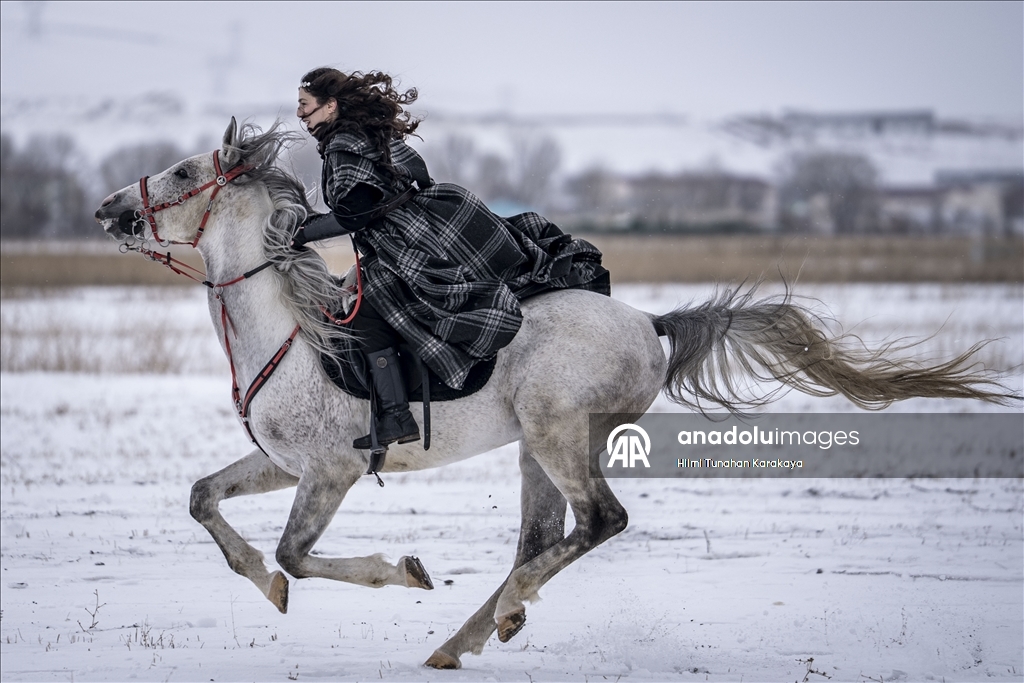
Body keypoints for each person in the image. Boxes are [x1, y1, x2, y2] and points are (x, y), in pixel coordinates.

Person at [292, 67, 610, 450]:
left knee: (367, 311)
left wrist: (303, 233)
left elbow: (355, 213)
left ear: (330, 106)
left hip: (410, 235)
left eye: (304, 105)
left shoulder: (344, 143)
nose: (299, 113)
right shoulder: (366, 133)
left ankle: (395, 416)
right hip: (437, 212)